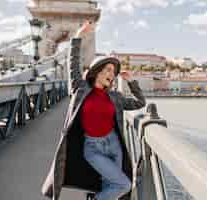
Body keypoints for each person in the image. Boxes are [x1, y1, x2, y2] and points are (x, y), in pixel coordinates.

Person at [41, 20, 146, 200]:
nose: (111, 74)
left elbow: (140, 102)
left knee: (112, 185)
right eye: (108, 69)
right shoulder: (80, 88)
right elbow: (73, 62)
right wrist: (78, 36)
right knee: (124, 184)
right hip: (93, 147)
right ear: (97, 71)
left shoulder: (115, 97)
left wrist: (131, 81)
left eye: (113, 72)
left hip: (114, 145)